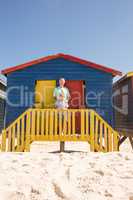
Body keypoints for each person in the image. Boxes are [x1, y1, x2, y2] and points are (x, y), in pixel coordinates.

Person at [53, 78, 70, 152]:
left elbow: (69, 96)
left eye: (63, 82)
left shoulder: (66, 89)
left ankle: (64, 131)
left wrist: (66, 100)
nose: (62, 83)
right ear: (59, 82)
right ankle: (59, 131)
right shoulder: (56, 89)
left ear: (64, 82)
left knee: (65, 119)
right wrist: (58, 97)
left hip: (65, 105)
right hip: (58, 104)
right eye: (60, 82)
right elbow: (53, 96)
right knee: (59, 119)